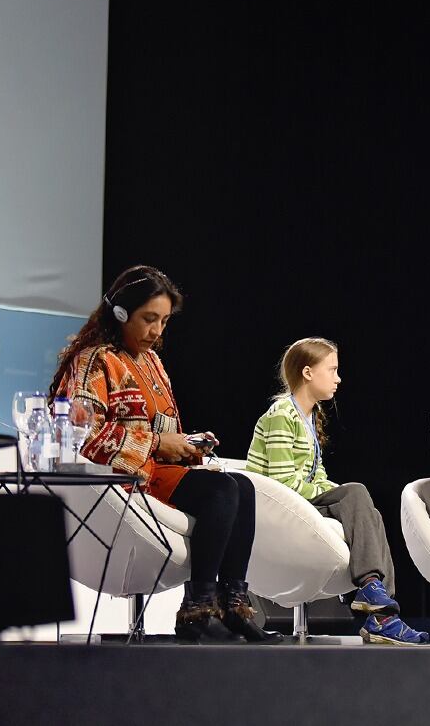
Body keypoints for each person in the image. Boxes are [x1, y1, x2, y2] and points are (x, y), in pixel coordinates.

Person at [50, 265, 280, 644]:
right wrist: (159, 444)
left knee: (242, 487)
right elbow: (82, 435)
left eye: (164, 321)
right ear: (120, 313)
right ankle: (197, 610)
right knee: (222, 490)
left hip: (157, 472)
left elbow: (160, 431)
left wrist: (188, 444)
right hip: (126, 480)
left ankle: (233, 607)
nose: (157, 331)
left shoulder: (152, 363)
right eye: (149, 319)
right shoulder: (96, 361)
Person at [248, 337, 430, 645]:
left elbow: (316, 475)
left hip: (298, 502)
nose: (338, 378)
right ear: (308, 373)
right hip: (276, 507)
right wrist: (340, 494)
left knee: (367, 511)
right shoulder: (282, 415)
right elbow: (282, 483)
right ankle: (375, 598)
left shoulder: (309, 416)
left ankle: (382, 615)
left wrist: (339, 494)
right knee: (355, 493)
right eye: (332, 370)